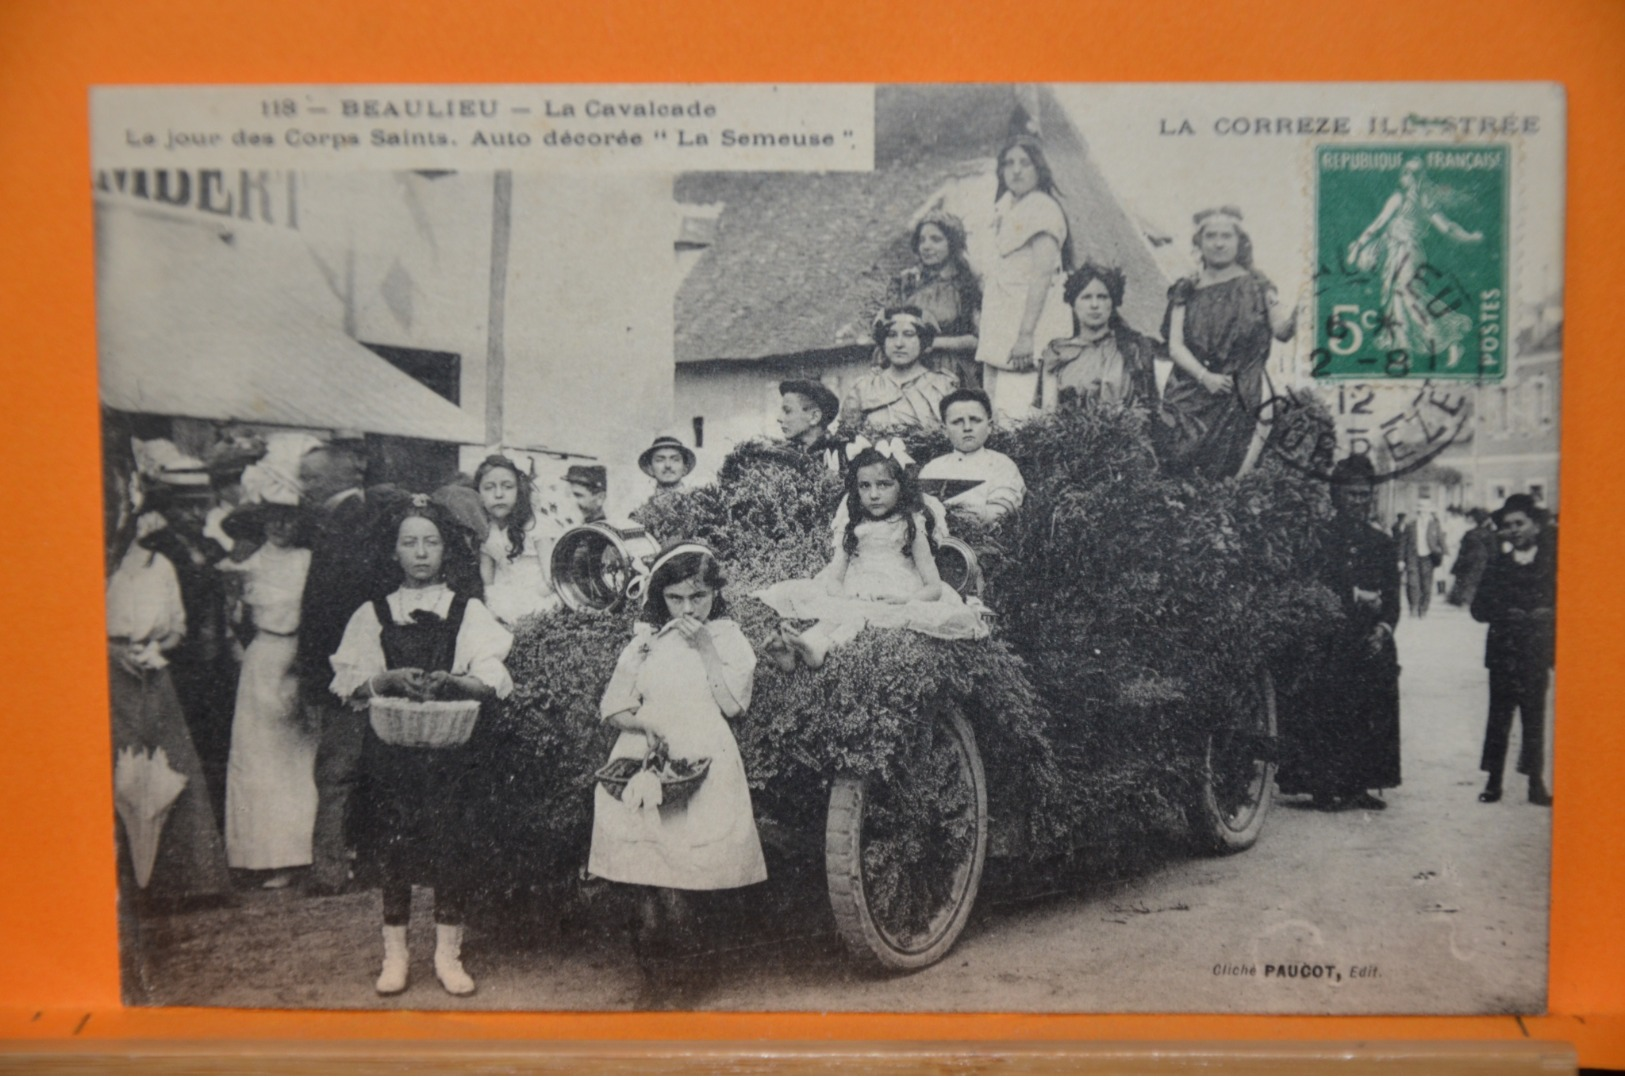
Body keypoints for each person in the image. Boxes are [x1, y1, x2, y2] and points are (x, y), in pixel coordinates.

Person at [330, 494, 515, 995]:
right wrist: (386, 679)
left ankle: (447, 956)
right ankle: (395, 957)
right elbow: (350, 686)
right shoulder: (373, 613)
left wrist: (454, 681)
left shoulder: (466, 610)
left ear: (444, 550)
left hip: (450, 754)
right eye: (409, 543)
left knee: (449, 850)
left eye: (430, 542)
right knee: (394, 853)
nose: (420, 553)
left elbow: (492, 677)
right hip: (391, 753)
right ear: (393, 551)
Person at [588, 544, 766, 994]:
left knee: (684, 878)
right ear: (659, 596)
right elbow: (613, 707)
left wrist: (706, 647)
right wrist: (645, 722)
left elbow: (733, 705)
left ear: (714, 594)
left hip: (702, 754)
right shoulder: (646, 640)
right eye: (676, 599)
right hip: (644, 754)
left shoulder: (726, 638)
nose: (688, 609)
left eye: (699, 597)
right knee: (643, 877)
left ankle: (686, 984)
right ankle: (654, 983)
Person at [755, 444, 989, 670]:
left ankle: (819, 648)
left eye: (884, 485)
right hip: (856, 587)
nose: (874, 494)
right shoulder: (853, 524)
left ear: (901, 487)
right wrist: (845, 596)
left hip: (896, 591)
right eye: (865, 486)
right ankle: (795, 651)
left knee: (857, 619)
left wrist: (907, 600)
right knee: (838, 613)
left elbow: (934, 587)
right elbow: (834, 577)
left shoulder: (911, 525)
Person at [107, 506, 232, 905]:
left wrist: (155, 647)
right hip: (108, 677)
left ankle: (189, 882)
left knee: (172, 768)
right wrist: (111, 650)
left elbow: (178, 625)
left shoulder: (161, 566)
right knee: (119, 770)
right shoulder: (94, 564)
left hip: (154, 675)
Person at [1277, 454, 1401, 810]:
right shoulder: (1320, 539)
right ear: (1336, 496)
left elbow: (1393, 595)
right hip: (1330, 636)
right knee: (1328, 709)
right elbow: (1312, 585)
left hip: (1368, 639)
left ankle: (1358, 785)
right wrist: (1353, 596)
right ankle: (1323, 786)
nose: (1359, 502)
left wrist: (1384, 627)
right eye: (1351, 495)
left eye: (1364, 495)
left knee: (1368, 710)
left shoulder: (1382, 543)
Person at [1153, 206, 1298, 479]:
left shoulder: (1258, 285)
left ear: (1239, 241)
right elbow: (1175, 346)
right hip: (1188, 394)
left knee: (1225, 477)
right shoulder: (1186, 289)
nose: (1218, 243)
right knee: (1174, 468)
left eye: (1226, 236)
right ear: (1199, 242)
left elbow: (1282, 330)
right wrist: (1205, 376)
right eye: (1211, 236)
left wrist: (1303, 310)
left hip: (1238, 395)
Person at [217, 492, 316, 887]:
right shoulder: (248, 562)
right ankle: (258, 856)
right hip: (261, 658)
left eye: (288, 518)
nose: (280, 526)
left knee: (296, 756)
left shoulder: (307, 561)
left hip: (295, 656)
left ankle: (296, 855)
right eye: (273, 517)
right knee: (257, 757)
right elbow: (234, 616)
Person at [297, 441, 379, 895]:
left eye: (310, 477)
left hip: (343, 667)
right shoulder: (352, 519)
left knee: (336, 771)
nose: (305, 487)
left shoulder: (341, 524)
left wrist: (316, 680)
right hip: (356, 663)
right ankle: (362, 864)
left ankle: (329, 870)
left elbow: (321, 615)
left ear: (339, 476)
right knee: (354, 768)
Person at [137, 459, 238, 822]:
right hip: (178, 662)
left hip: (218, 664)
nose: (196, 513)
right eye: (185, 505)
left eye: (202, 503)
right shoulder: (153, 549)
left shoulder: (212, 546)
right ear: (166, 506)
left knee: (218, 744)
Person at [1346, 156, 1484, 359]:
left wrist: (1470, 238)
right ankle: (1403, 347)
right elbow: (1379, 223)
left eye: (1412, 173)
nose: (1407, 177)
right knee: (1399, 296)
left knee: (1408, 294)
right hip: (1394, 251)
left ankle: (1444, 339)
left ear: (1418, 177)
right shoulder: (1405, 200)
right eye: (1406, 172)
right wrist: (1357, 246)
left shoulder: (1421, 202)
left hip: (1409, 252)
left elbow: (1447, 227)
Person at [975, 135, 1073, 422]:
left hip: (1028, 331)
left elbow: (1043, 276)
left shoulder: (1042, 209)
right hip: (1001, 326)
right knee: (995, 413)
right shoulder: (1005, 208)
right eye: (1009, 163)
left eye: (1024, 163)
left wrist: (1026, 336)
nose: (1016, 170)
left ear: (1038, 169)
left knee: (1021, 413)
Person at [1471, 494, 1556, 807]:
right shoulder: (1497, 566)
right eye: (1507, 526)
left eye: (1520, 523)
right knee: (1499, 717)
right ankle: (1493, 781)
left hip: (1536, 651)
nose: (1514, 530)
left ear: (1535, 525)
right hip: (1504, 652)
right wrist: (1505, 611)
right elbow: (1478, 609)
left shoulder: (1553, 562)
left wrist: (1546, 614)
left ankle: (1535, 782)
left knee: (1534, 717)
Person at [1040, 262, 1161, 411]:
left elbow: (1148, 408)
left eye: (1102, 297)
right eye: (1086, 297)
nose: (1095, 305)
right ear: (1073, 304)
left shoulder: (1132, 349)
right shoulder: (1058, 353)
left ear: (1113, 302)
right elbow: (1047, 414)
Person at [886, 210, 983, 390]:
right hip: (909, 371)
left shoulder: (966, 284)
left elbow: (979, 339)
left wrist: (932, 343)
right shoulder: (907, 282)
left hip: (953, 371)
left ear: (953, 244)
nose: (926, 246)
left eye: (936, 239)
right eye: (922, 240)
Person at [474, 454, 560, 628]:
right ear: (478, 492)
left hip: (537, 598)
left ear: (519, 490)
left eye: (507, 487)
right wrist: (494, 605)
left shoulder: (535, 525)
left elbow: (551, 577)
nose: (498, 494)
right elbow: (487, 582)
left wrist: (524, 600)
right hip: (501, 599)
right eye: (489, 488)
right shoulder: (485, 528)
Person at [919, 388, 1027, 526]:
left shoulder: (1002, 464)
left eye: (975, 420)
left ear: (989, 426)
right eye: (957, 421)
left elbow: (1002, 508)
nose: (967, 427)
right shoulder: (932, 468)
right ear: (944, 430)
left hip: (984, 539)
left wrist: (981, 516)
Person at [842, 306, 959, 433]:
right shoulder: (863, 388)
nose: (899, 343)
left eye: (909, 335)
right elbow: (844, 436)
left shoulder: (943, 386)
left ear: (923, 340)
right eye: (891, 335)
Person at [776, 379, 847, 472]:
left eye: (787, 411)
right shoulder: (784, 455)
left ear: (814, 417)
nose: (779, 418)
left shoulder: (843, 454)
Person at [1399, 507, 1446, 618]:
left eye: (1426, 512)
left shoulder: (1435, 525)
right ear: (1418, 513)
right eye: (1422, 512)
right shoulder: (1410, 525)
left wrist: (1441, 553)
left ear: (1430, 514)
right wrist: (1400, 560)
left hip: (1428, 559)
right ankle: (1414, 608)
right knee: (1412, 583)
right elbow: (1403, 543)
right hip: (1413, 557)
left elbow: (1441, 542)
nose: (1424, 515)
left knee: (1426, 585)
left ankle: (1423, 609)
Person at [1447, 508, 1495, 608]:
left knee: (1468, 581)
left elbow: (1462, 550)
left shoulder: (1470, 533)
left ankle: (1465, 601)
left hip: (1469, 560)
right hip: (1484, 561)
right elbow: (1493, 550)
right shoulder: (1490, 534)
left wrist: (1457, 564)